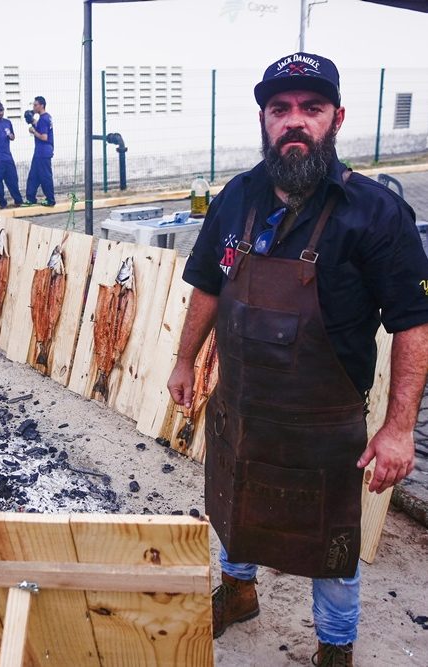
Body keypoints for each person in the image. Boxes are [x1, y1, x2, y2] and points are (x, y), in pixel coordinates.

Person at [167, 51, 428, 666]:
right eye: (280, 108)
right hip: (241, 406)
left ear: (337, 118)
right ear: (264, 119)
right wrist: (184, 360)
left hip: (323, 426)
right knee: (233, 505)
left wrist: (398, 428)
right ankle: (238, 594)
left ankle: (334, 646)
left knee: (331, 543)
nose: (295, 121)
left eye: (312, 108)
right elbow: (208, 284)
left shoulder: (376, 213)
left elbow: (414, 323)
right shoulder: (237, 197)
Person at [24, 96, 55, 207]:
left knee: (45, 176)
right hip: (39, 152)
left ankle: (50, 199)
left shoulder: (43, 119)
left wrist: (33, 132)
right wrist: (33, 122)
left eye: (35, 105)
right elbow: (41, 127)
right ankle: (31, 198)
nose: (34, 107)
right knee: (34, 175)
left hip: (43, 152)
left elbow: (44, 137)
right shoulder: (46, 117)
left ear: (41, 105)